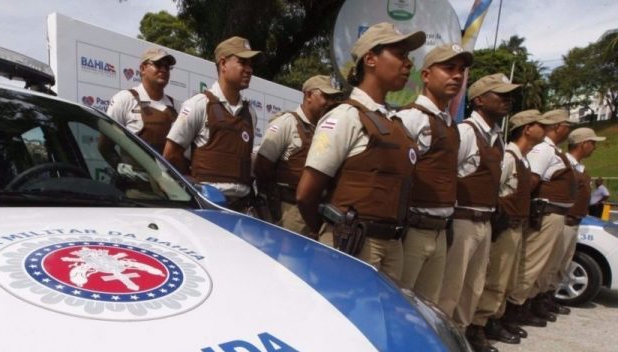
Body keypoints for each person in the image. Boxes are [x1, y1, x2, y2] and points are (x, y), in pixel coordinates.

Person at [296, 22, 425, 281]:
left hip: (392, 246)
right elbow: (306, 193)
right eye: (400, 55)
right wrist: (332, 231)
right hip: (352, 244)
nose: (408, 64)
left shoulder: (396, 123)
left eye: (408, 57)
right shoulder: (345, 117)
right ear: (370, 59)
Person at [436, 73, 519, 352]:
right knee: (451, 286)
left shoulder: (496, 139)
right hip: (462, 220)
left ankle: (459, 338)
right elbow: (446, 175)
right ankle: (441, 343)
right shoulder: (466, 133)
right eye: (500, 95)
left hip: (484, 221)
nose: (507, 100)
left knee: (473, 286)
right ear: (480, 100)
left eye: (509, 96)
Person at [395, 43, 473, 302]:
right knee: (400, 304)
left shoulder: (451, 125)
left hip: (440, 232)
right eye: (449, 68)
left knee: (427, 307)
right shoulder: (410, 118)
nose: (457, 76)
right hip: (411, 231)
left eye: (461, 70)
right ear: (426, 75)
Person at [472, 110, 546, 347]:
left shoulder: (522, 159)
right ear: (527, 129)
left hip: (516, 226)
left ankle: (496, 318)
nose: (544, 130)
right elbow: (494, 189)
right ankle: (480, 324)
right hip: (505, 226)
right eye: (539, 125)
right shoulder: (509, 157)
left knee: (508, 279)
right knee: (496, 278)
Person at [164, 36, 260, 211]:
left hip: (241, 209)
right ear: (223, 64)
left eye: (250, 64)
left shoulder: (250, 113)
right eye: (242, 62)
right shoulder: (199, 104)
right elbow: (170, 155)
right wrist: (193, 190)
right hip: (207, 208)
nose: (249, 70)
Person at [505, 109, 574, 326]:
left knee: (543, 266)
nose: (569, 130)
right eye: (567, 125)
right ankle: (513, 310)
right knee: (531, 264)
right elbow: (530, 182)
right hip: (544, 213)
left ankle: (524, 306)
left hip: (554, 215)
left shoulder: (551, 150)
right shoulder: (543, 150)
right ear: (558, 126)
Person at [253, 75, 342, 234]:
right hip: (288, 212)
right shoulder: (286, 123)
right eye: (326, 96)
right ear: (309, 95)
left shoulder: (324, 130)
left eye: (333, 99)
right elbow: (262, 167)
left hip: (314, 213)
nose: (330, 103)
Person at [550, 127, 606, 299]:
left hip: (574, 221)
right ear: (583, 144)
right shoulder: (563, 164)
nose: (594, 148)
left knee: (562, 263)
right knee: (552, 264)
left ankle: (548, 297)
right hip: (564, 221)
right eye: (592, 143)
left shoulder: (579, 168)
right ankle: (538, 300)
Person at [106, 47, 177, 153]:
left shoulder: (176, 106)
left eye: (167, 67)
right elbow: (105, 146)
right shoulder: (124, 99)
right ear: (143, 68)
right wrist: (120, 164)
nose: (163, 70)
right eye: (158, 64)